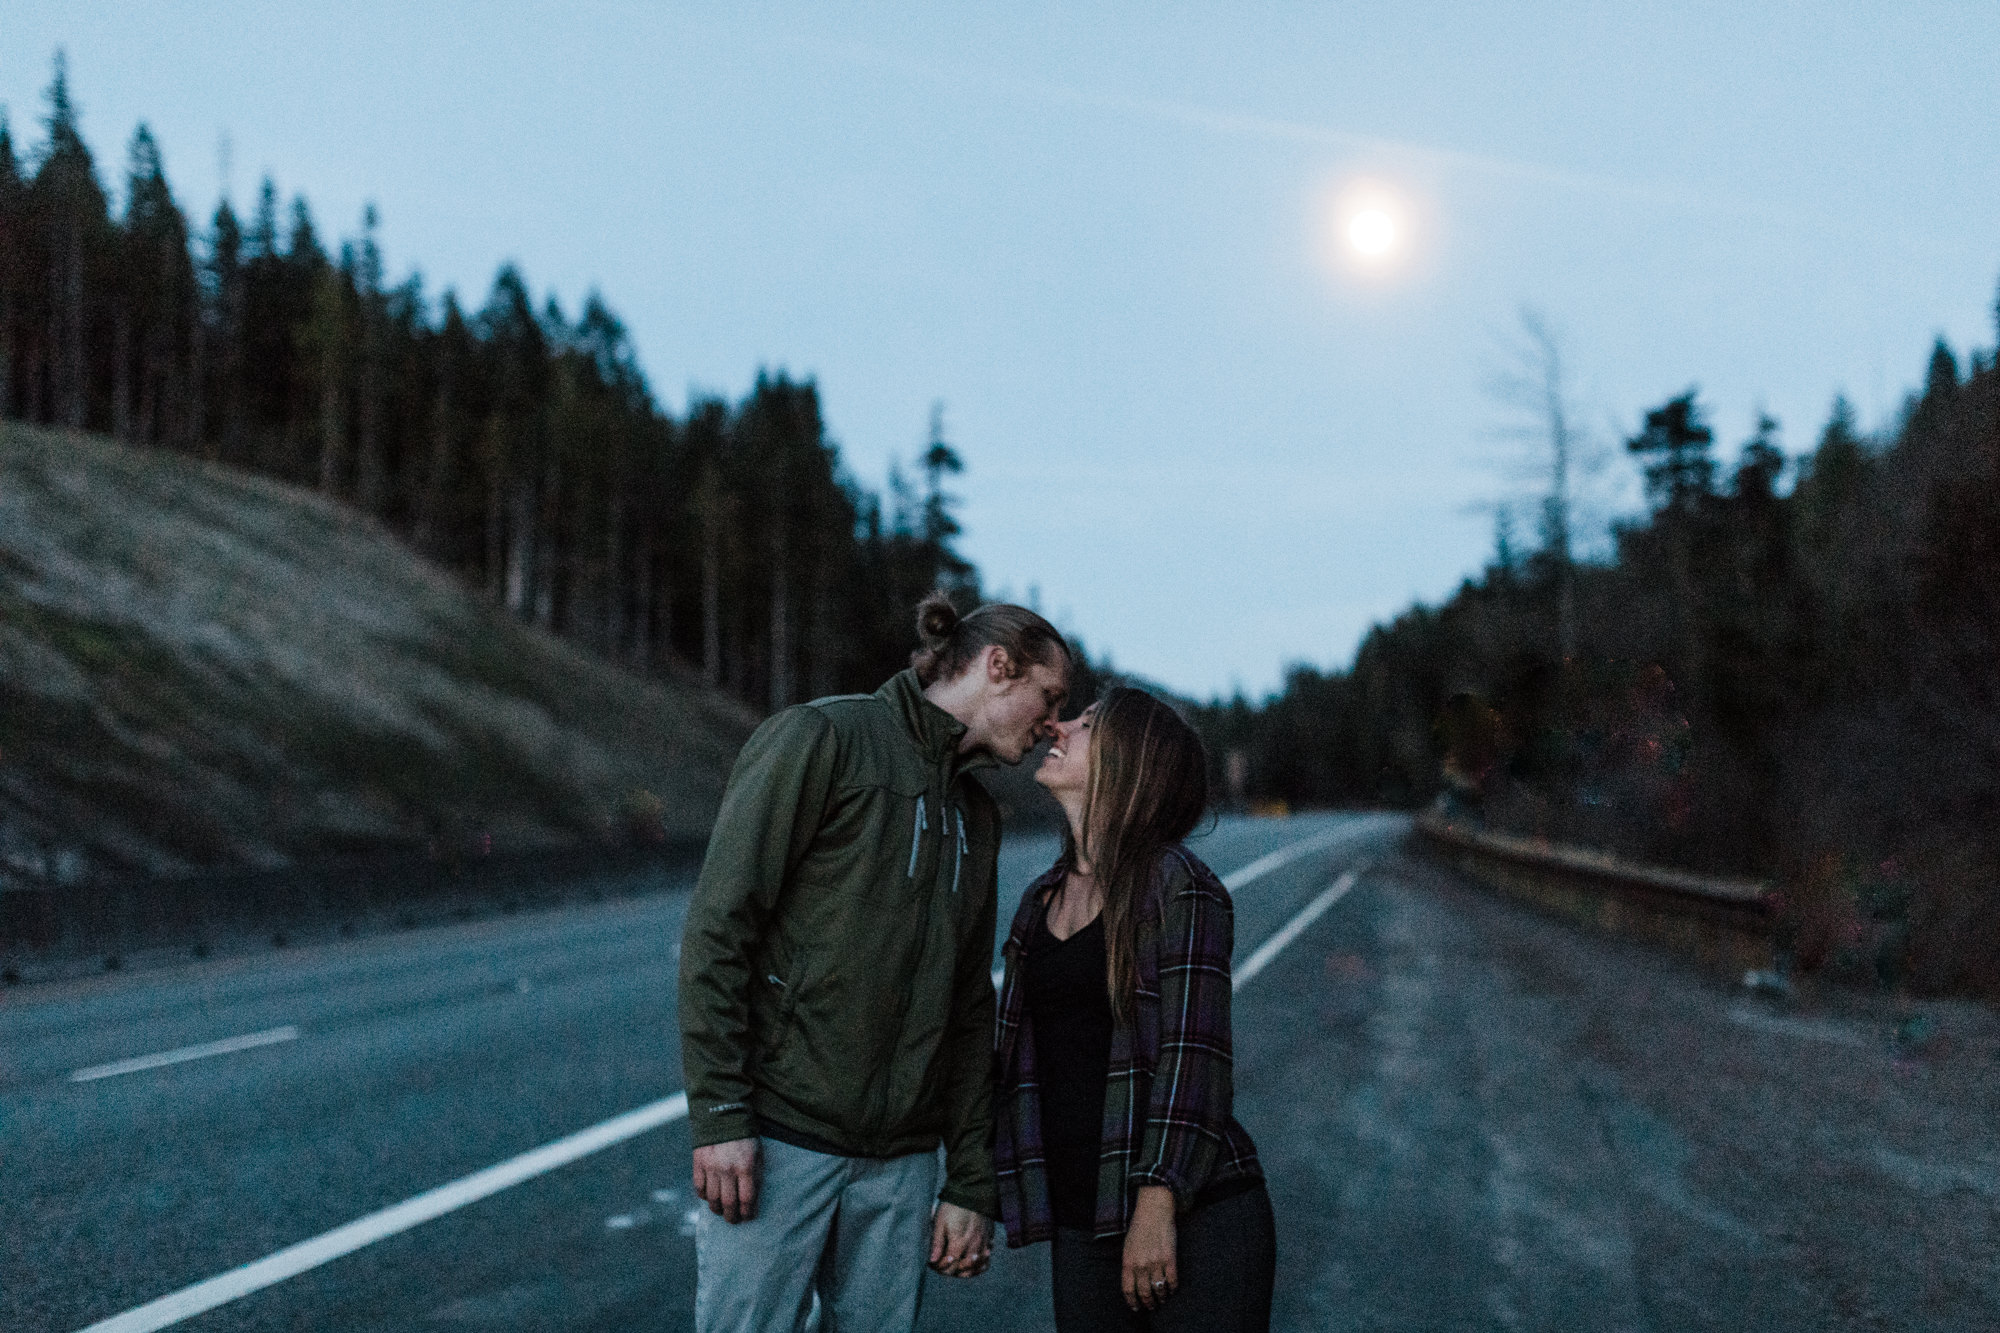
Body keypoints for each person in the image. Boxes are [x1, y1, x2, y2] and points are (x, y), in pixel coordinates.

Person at [678, 593, 1072, 1333]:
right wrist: (721, 1112)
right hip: (780, 1139)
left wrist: (971, 1181)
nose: (1053, 722)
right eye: (1048, 696)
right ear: (998, 665)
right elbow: (718, 930)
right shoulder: (823, 738)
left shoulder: (976, 816)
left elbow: (965, 1005)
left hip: (900, 1165)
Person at [993, 687, 1275, 1332]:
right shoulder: (1038, 901)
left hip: (1194, 1215)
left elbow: (1192, 1060)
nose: (1059, 727)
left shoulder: (1181, 887)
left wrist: (1157, 1204)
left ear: (1130, 760)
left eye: (1087, 724)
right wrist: (970, 1190)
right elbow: (1014, 1067)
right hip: (1082, 1220)